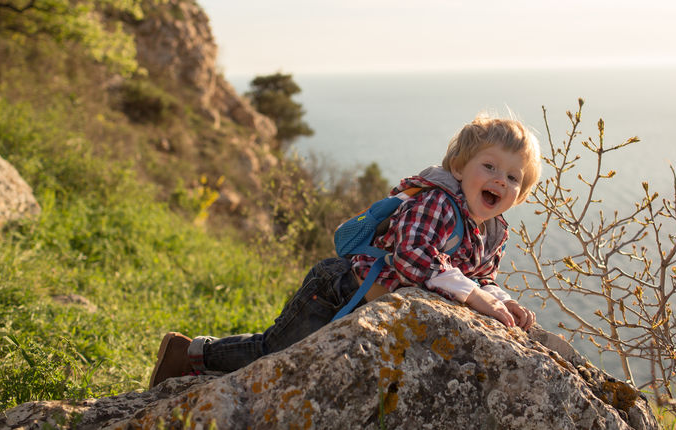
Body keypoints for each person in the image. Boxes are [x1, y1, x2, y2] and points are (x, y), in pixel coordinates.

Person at [149, 113, 542, 387]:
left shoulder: (493, 231)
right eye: (489, 167)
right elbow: (413, 255)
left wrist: (500, 300)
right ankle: (189, 353)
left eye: (513, 177)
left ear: (520, 194)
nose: (500, 180)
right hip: (341, 288)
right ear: (458, 168)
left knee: (302, 368)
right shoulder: (438, 202)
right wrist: (474, 297)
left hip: (369, 305)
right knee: (273, 351)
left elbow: (481, 277)